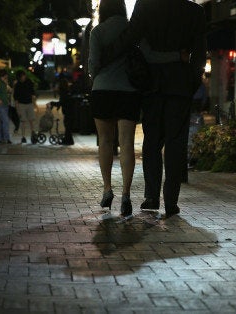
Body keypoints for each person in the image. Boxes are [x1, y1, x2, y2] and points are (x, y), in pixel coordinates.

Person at [101, 0, 207, 219]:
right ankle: (171, 200)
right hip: (180, 85)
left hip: (152, 84)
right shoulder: (194, 11)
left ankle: (151, 197)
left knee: (152, 141)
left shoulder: (145, 6)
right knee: (176, 143)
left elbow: (130, 37)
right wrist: (191, 81)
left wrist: (105, 56)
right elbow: (200, 51)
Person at [88, 0, 142, 217]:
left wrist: (97, 78)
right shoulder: (132, 30)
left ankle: (107, 189)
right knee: (127, 142)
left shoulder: (97, 32)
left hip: (102, 90)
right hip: (129, 91)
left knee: (105, 141)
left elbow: (93, 64)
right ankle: (127, 194)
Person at [13, 70, 38, 144]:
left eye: (24, 75)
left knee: (31, 120)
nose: (24, 77)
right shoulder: (17, 85)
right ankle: (23, 137)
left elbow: (33, 93)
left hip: (29, 104)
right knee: (23, 121)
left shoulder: (29, 82)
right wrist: (17, 109)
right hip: (21, 105)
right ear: (19, 77)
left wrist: (35, 104)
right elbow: (16, 98)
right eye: (23, 76)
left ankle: (33, 135)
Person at [0, 70, 12, 144]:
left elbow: (10, 90)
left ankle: (0, 138)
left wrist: (7, 84)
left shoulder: (4, 83)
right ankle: (7, 138)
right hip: (0, 105)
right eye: (6, 75)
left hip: (6, 105)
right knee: (6, 121)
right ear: (4, 75)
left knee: (2, 121)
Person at [58, 71, 74, 145]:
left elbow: (62, 102)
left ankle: (68, 140)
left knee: (67, 126)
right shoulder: (67, 91)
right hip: (70, 111)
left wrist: (53, 103)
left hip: (68, 112)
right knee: (68, 126)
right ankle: (69, 140)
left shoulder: (63, 92)